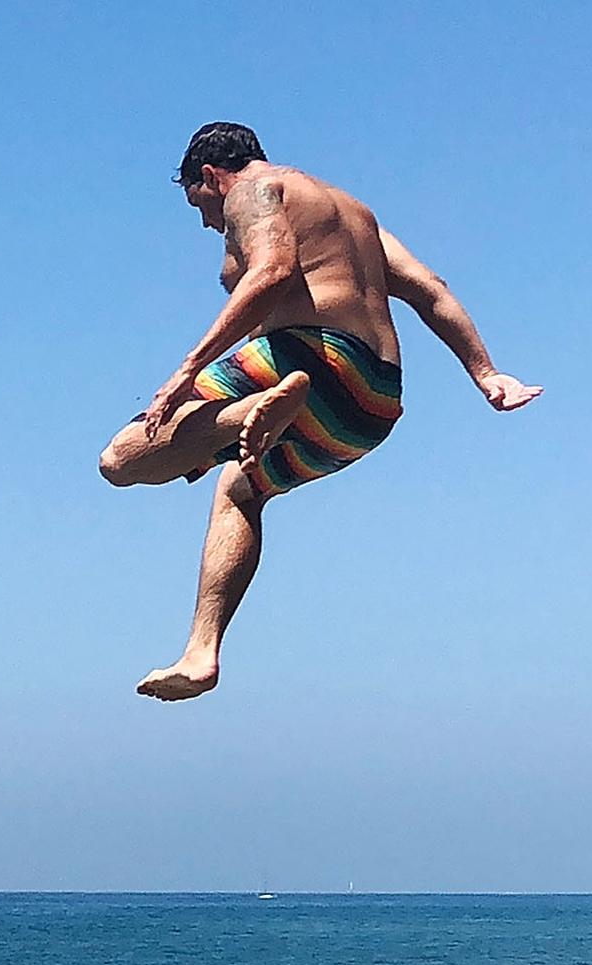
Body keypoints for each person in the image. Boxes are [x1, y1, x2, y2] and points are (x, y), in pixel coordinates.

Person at [98, 123, 541, 702]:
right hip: (371, 403)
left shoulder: (254, 191)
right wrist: (487, 374)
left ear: (209, 176)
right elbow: (429, 287)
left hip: (309, 356)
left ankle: (250, 411)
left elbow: (273, 268)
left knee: (120, 459)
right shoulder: (353, 212)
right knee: (239, 489)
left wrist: (188, 368)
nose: (207, 222)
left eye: (199, 204)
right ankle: (202, 653)